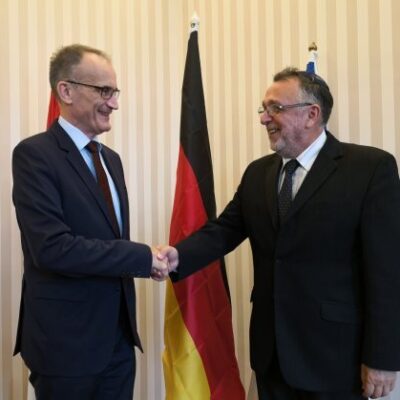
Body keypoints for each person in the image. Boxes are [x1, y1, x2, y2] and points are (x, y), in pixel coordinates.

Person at [159, 67, 400, 399]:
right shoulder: (257, 174)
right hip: (270, 355)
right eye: (264, 108)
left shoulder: (370, 168)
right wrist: (177, 256)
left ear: (311, 114)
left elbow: (387, 272)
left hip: (335, 357)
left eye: (275, 108)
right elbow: (223, 231)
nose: (264, 118)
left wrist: (383, 357)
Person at [12, 44, 169, 400]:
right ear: (66, 91)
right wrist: (141, 257)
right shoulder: (34, 155)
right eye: (103, 91)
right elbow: (51, 249)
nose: (114, 103)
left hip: (118, 341)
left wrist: (149, 259)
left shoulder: (111, 159)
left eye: (115, 92)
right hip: (65, 345)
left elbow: (106, 238)